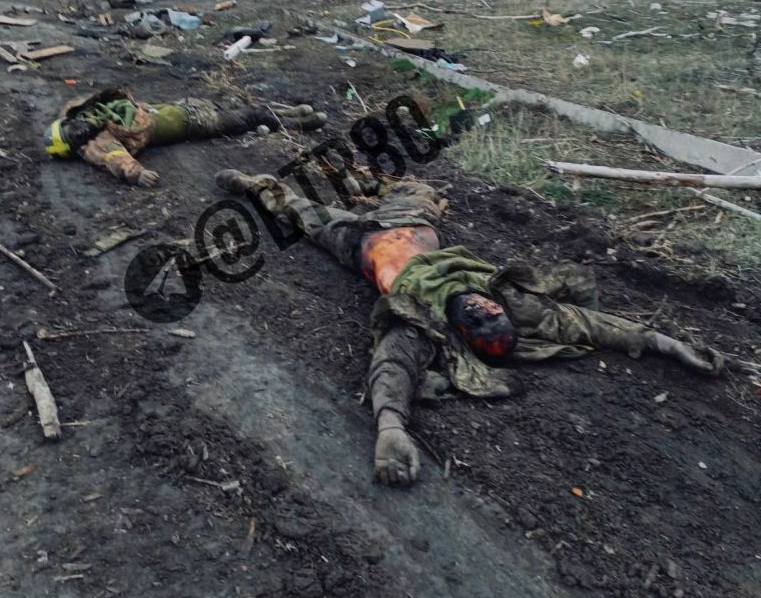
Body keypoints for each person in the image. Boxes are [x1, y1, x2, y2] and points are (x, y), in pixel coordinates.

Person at [215, 169, 724, 487]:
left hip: (361, 245)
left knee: (297, 210)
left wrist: (390, 428)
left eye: (478, 319)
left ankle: (255, 184)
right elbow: (591, 324)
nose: (482, 306)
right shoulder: (509, 300)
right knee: (418, 187)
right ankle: (368, 183)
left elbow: (393, 364)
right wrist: (666, 343)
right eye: (491, 310)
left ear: (463, 332)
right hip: (413, 223)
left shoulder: (422, 317)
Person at [44, 88, 326, 187]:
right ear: (73, 146)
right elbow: (116, 159)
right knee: (245, 118)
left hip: (174, 109)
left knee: (237, 110)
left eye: (72, 126)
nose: (79, 128)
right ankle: (297, 122)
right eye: (72, 134)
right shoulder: (96, 144)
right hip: (192, 124)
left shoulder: (92, 115)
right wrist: (138, 174)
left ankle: (287, 113)